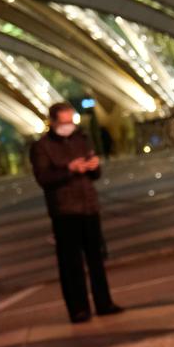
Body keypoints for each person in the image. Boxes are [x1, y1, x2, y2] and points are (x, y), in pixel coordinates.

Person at [30, 102, 123, 323]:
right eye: (64, 122)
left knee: (96, 259)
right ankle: (78, 309)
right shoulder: (42, 147)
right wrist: (69, 169)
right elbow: (44, 178)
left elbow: (96, 174)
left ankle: (104, 303)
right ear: (53, 122)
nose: (69, 125)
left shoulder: (82, 139)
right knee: (71, 263)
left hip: (89, 206)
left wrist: (93, 166)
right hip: (64, 210)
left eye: (71, 120)